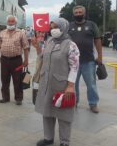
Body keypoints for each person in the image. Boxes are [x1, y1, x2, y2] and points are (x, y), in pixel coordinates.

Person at [34, 18, 80, 146]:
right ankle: (48, 138)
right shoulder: (49, 41)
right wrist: (37, 47)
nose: (53, 30)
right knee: (47, 111)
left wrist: (70, 86)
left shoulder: (71, 45)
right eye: (52, 27)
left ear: (64, 28)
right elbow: (42, 57)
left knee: (64, 114)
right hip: (47, 83)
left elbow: (75, 67)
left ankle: (65, 141)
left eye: (56, 27)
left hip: (63, 85)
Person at [68, 5, 102, 113]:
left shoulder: (91, 25)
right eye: (76, 13)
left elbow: (97, 40)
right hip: (73, 61)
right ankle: (74, 102)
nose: (78, 14)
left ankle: (93, 103)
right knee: (73, 84)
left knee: (91, 84)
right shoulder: (69, 26)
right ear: (73, 14)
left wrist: (100, 56)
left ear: (84, 13)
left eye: (80, 12)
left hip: (89, 61)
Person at [0, 15, 29, 105]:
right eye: (9, 21)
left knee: (17, 80)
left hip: (17, 61)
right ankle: (5, 97)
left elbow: (25, 47)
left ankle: (18, 98)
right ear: (7, 22)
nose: (10, 23)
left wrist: (26, 60)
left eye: (12, 21)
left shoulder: (21, 33)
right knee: (4, 79)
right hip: (4, 60)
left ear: (15, 23)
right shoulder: (2, 33)